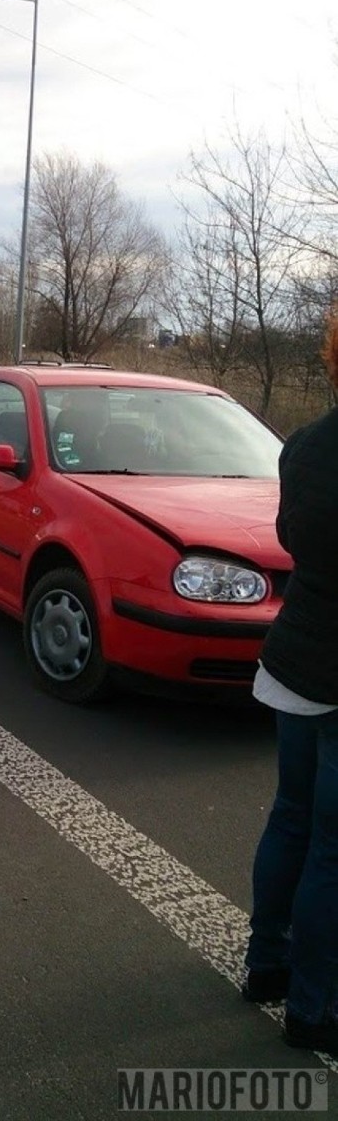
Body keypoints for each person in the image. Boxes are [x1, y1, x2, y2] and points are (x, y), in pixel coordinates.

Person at [242, 307, 338, 1056]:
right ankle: (314, 1011)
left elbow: (292, 540)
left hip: (298, 657)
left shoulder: (303, 447)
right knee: (333, 849)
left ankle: (266, 965)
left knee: (293, 818)